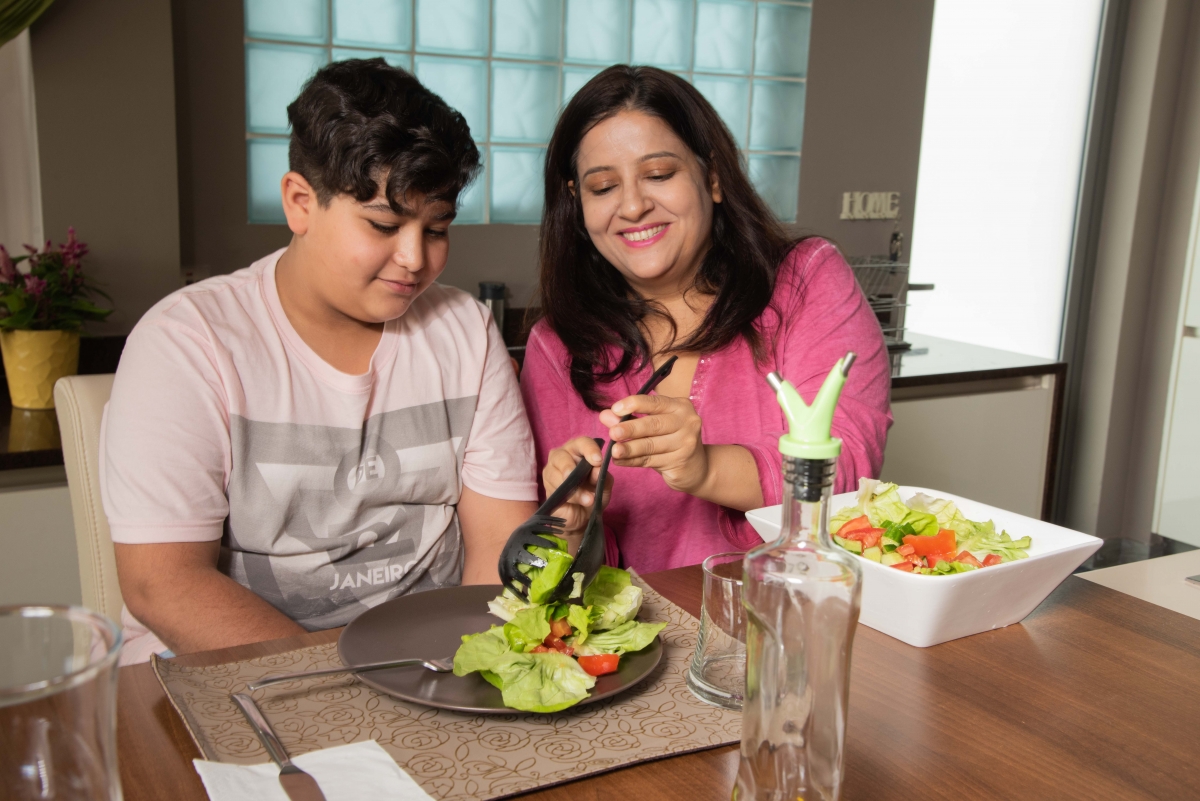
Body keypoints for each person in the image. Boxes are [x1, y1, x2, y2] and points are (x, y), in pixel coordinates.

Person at [102, 59, 538, 665]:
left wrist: (461, 672)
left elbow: (497, 545)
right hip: (234, 671)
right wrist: (339, 690)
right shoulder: (189, 341)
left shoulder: (463, 329)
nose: (414, 258)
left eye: (437, 228)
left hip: (430, 664)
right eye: (384, 224)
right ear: (301, 203)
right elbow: (164, 584)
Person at [520, 66, 892, 573]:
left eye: (659, 175)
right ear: (577, 204)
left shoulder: (807, 281)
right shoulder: (555, 345)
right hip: (635, 645)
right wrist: (571, 524)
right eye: (603, 186)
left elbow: (848, 475)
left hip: (784, 618)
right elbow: (576, 574)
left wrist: (705, 467)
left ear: (712, 177)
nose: (632, 205)